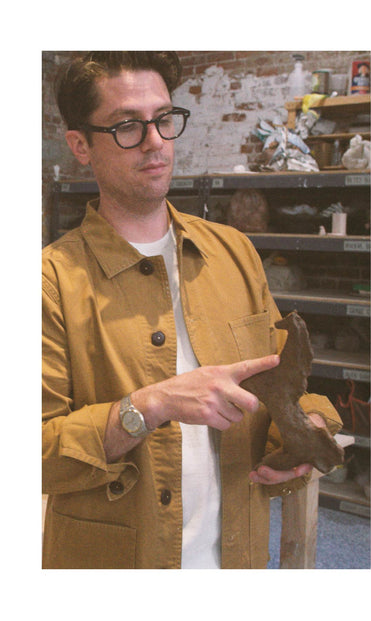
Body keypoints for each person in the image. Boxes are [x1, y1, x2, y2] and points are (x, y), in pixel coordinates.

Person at [42, 51, 342, 569]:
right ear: (80, 146)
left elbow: (282, 381)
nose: (156, 140)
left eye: (163, 118)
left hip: (236, 559)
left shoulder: (235, 252)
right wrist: (149, 407)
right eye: (126, 126)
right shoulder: (49, 281)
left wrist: (303, 425)